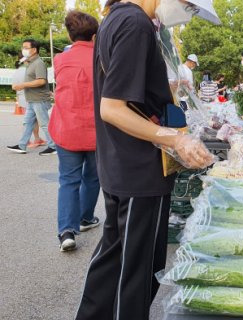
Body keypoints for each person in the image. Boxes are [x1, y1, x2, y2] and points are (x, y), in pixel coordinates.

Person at [75, 0, 214, 319]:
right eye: (186, 4)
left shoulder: (115, 19)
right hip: (140, 171)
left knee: (112, 260)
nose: (186, 10)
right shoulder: (135, 25)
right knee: (137, 273)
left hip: (120, 164)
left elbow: (125, 91)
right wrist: (176, 138)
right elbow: (111, 108)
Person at [49, 10, 101, 252]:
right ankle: (86, 217)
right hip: (96, 131)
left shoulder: (60, 60)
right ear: (95, 35)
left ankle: (66, 232)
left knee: (68, 181)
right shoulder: (103, 58)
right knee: (93, 177)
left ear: (70, 36)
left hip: (66, 129)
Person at [7, 39, 57, 155]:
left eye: (26, 47)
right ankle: (21, 145)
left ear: (34, 50)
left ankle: (53, 146)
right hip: (32, 100)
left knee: (44, 124)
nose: (23, 50)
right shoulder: (30, 63)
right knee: (28, 123)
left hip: (39, 100)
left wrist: (22, 85)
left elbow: (41, 81)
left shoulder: (39, 63)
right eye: (22, 47)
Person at [13, 54, 45, 148]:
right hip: (31, 97)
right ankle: (29, 140)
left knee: (31, 120)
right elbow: (38, 83)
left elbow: (15, 86)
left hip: (22, 98)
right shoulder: (28, 69)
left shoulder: (17, 71)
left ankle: (36, 139)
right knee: (32, 121)